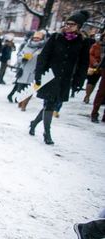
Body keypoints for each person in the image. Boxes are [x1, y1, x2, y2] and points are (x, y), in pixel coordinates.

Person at [29, 10, 90, 145]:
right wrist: (38, 75)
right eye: (66, 23)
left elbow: (83, 64)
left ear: (79, 27)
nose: (67, 26)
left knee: (52, 104)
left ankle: (34, 123)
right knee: (50, 104)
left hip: (65, 79)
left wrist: (78, 82)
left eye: (72, 24)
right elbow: (43, 57)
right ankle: (47, 133)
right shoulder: (56, 37)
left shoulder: (82, 42)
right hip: (50, 76)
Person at [7, 30, 46, 110]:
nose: (36, 39)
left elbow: (45, 60)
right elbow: (19, 55)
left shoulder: (43, 48)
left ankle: (24, 105)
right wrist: (23, 59)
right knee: (20, 88)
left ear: (42, 39)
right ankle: (20, 102)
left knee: (30, 89)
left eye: (38, 38)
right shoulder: (27, 45)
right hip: (23, 70)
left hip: (34, 71)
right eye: (35, 38)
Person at [90, 31, 105, 123]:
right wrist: (96, 64)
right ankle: (94, 113)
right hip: (102, 68)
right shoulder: (98, 45)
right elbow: (92, 54)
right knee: (102, 91)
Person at [85, 32, 103, 105]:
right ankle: (87, 96)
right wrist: (95, 63)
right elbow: (91, 55)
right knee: (91, 82)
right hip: (95, 66)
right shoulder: (96, 45)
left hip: (103, 67)